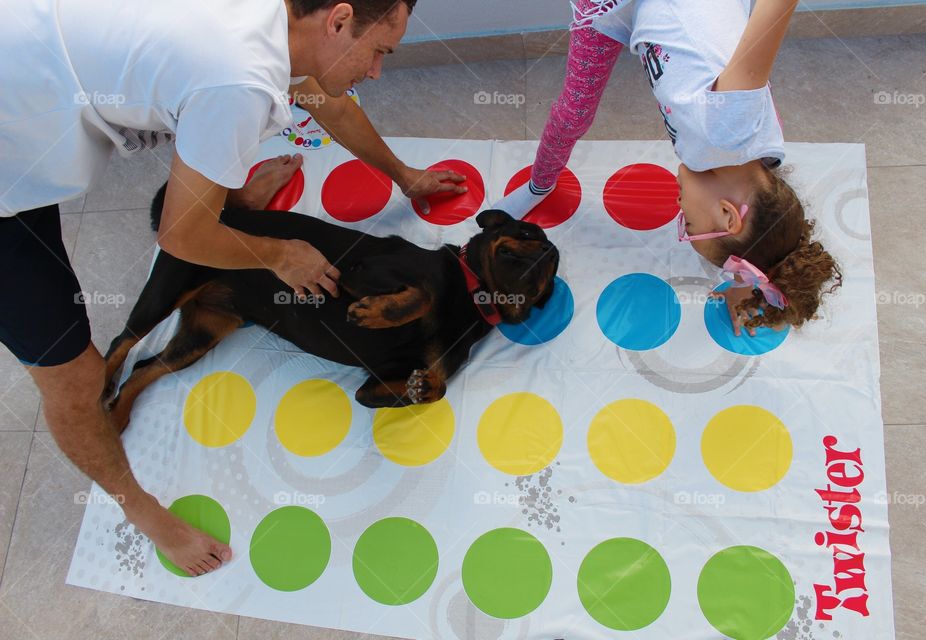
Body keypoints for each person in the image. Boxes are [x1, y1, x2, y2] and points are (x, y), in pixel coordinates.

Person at [0, 0, 466, 577]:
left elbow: (326, 99)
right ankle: (147, 516)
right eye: (379, 52)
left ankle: (230, 200)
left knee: (209, 177)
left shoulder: (280, 22)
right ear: (339, 20)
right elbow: (178, 236)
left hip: (22, 84)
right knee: (75, 380)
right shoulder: (239, 81)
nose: (376, 72)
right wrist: (279, 254)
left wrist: (404, 176)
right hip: (9, 150)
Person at [494, 0, 841, 334]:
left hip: (632, 13)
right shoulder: (730, 128)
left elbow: (760, 229)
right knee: (572, 116)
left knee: (575, 113)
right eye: (688, 223)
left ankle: (542, 182)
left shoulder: (754, 164)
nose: (678, 209)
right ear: (727, 214)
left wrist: (748, 283)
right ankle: (540, 185)